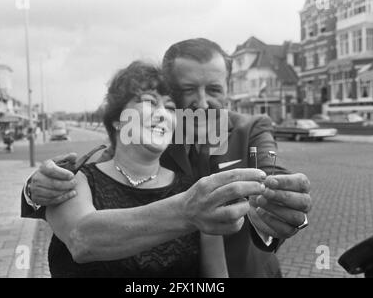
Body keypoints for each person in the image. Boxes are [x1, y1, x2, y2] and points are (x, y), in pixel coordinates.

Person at [22, 38, 312, 278]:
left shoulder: (251, 128)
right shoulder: (154, 136)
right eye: (187, 90)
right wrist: (33, 191)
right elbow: (96, 168)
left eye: (213, 89)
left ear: (228, 88)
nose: (201, 101)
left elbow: (272, 173)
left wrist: (280, 206)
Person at [46, 61, 244, 277]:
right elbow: (81, 240)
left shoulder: (194, 190)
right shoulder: (75, 181)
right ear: (116, 120)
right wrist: (187, 212)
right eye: (150, 102)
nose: (162, 115)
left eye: (170, 108)